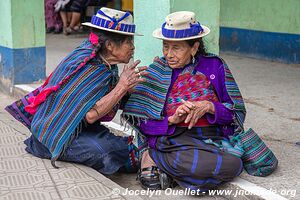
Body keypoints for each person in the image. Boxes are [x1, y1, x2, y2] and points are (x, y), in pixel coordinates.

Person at [122, 11, 246, 191]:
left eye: (176, 48)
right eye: (166, 46)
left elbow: (235, 114)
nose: (169, 54)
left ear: (194, 47)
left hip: (211, 140)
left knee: (234, 165)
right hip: (173, 139)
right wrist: (172, 120)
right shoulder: (157, 71)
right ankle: (158, 157)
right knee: (204, 167)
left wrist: (210, 106)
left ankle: (156, 161)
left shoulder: (215, 66)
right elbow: (142, 123)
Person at [23, 7, 147, 174]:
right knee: (109, 151)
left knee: (114, 144)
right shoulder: (93, 67)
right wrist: (122, 86)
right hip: (54, 134)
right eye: (128, 42)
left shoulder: (100, 60)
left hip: (61, 127)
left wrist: (128, 89)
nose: (132, 47)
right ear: (110, 45)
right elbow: (90, 115)